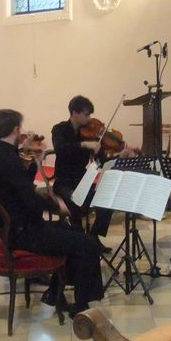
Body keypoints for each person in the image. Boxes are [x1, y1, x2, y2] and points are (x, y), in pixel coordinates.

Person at [0, 109, 104, 318]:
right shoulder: (7, 159)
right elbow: (30, 198)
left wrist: (35, 163)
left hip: (18, 227)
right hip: (24, 233)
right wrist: (57, 206)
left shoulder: (0, 152)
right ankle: (81, 305)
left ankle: (54, 294)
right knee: (88, 244)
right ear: (15, 129)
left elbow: (21, 185)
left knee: (71, 232)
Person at [51, 95, 132, 253]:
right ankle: (78, 241)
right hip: (64, 183)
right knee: (76, 202)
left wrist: (119, 156)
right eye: (86, 114)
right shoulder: (59, 129)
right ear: (75, 113)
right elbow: (60, 148)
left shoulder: (91, 135)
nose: (90, 119)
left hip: (83, 182)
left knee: (107, 199)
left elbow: (101, 161)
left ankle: (93, 237)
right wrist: (84, 144)